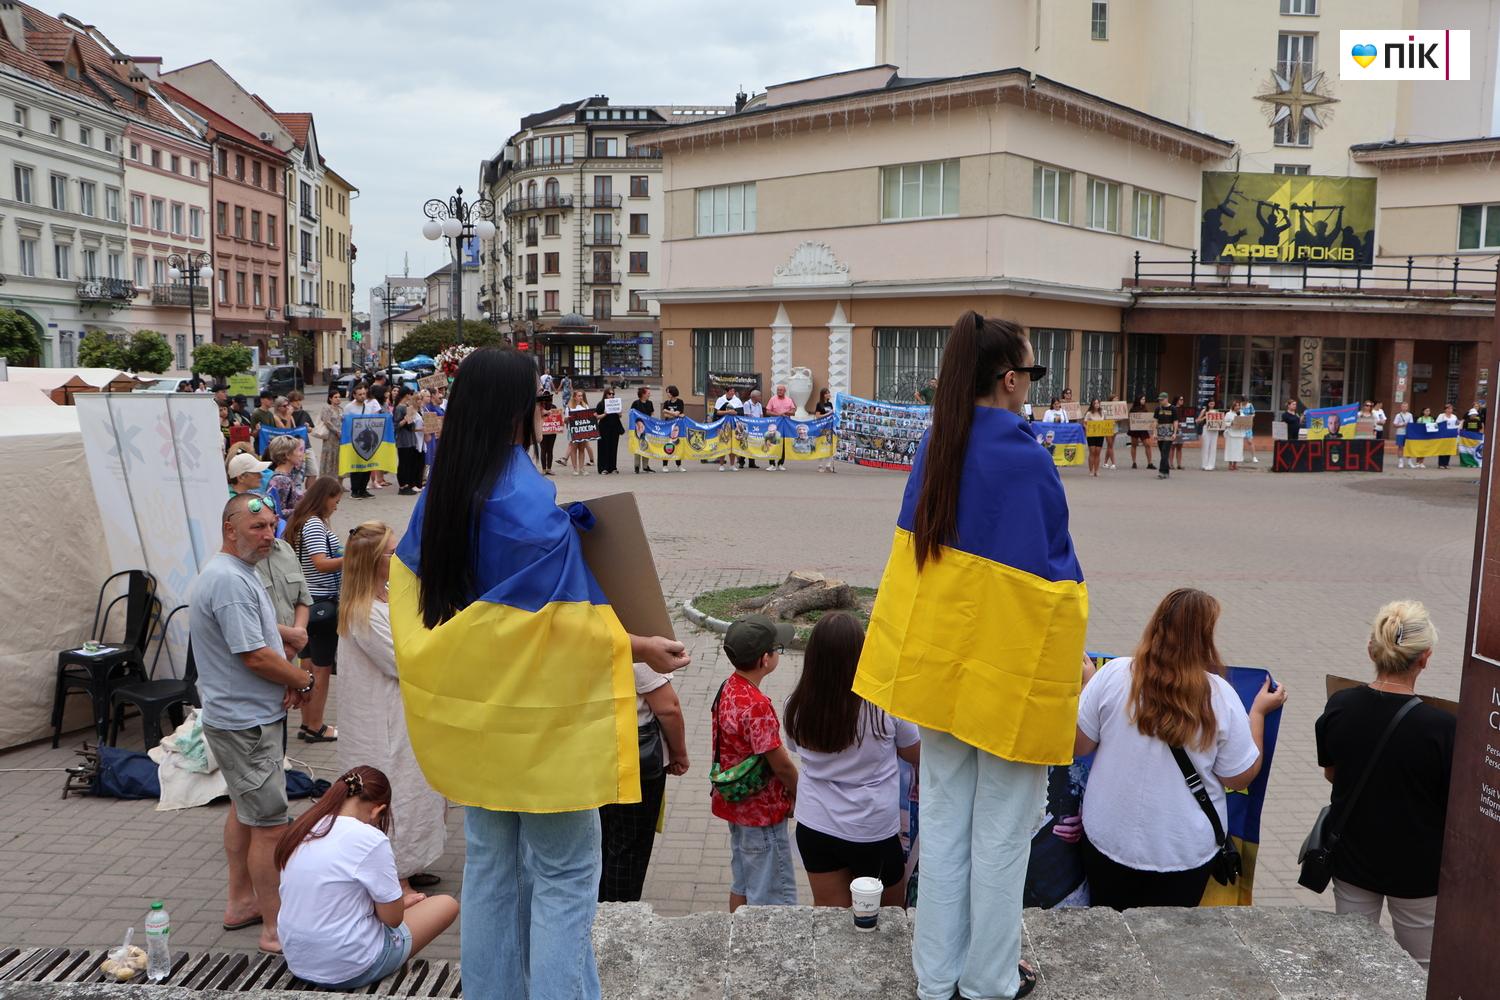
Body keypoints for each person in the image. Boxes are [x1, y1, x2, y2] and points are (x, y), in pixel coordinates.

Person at [392, 347, 689, 1000]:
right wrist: (640, 646)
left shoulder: (443, 489)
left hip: (479, 722)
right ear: (519, 409)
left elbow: (466, 618)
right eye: (539, 400)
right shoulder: (525, 501)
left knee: (493, 869)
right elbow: (562, 631)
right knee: (563, 882)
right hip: (542, 732)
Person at [853, 311, 1087, 1000]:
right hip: (1005, 679)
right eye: (1032, 374)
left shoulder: (937, 445)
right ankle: (988, 981)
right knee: (1004, 835)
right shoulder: (1025, 459)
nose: (1030, 388)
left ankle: (937, 975)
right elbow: (1056, 587)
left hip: (941, 674)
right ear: (1010, 380)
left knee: (947, 823)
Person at [1073, 589, 1285, 910]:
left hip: (1108, 839)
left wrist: (1088, 684)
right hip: (1183, 852)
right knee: (1168, 946)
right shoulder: (1220, 696)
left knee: (1108, 935)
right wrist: (1256, 715)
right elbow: (1240, 778)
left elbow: (1080, 744)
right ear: (1205, 638)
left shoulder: (1113, 675)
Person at [190, 493, 320, 954]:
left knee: (246, 812)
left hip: (243, 717)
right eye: (257, 528)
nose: (268, 535)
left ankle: (241, 903)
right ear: (230, 529)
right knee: (269, 825)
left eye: (271, 526)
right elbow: (254, 656)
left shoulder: (236, 573)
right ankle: (274, 928)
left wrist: (285, 651)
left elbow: (258, 642)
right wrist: (301, 679)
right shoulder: (228, 580)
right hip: (245, 724)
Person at [1315, 601, 1453, 969]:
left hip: (1353, 858)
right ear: (1425, 658)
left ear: (1371, 650)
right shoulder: (1442, 728)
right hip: (1418, 872)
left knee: (1352, 964)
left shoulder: (1340, 705)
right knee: (1422, 968)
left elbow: (1333, 773)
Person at [276, 766, 459, 991]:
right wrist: (398, 905)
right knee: (446, 904)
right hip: (351, 967)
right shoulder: (370, 839)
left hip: (298, 960)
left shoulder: (304, 827)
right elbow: (392, 919)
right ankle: (389, 969)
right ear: (377, 810)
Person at [337, 522, 447, 891]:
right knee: (395, 793)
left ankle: (412, 862)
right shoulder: (363, 611)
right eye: (392, 553)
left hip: (405, 714)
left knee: (418, 792)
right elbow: (404, 660)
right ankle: (394, 876)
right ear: (372, 562)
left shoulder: (387, 597)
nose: (399, 558)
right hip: (382, 720)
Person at [783, 612, 919, 908]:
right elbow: (915, 751)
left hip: (815, 825)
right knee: (888, 918)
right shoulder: (882, 703)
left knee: (830, 918)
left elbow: (794, 747)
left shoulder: (795, 706)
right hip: (872, 828)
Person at [712, 614, 800, 910]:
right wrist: (799, 793)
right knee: (771, 894)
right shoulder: (757, 705)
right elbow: (780, 764)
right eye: (778, 649)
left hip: (736, 805)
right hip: (762, 813)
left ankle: (734, 937)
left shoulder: (729, 687)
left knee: (743, 883)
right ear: (765, 659)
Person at [599, 645, 689, 902]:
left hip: (593, 753)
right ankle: (619, 919)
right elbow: (668, 708)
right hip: (634, 760)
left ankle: (595, 910)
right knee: (629, 846)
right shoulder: (635, 648)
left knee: (602, 839)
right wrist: (679, 754)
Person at [285, 476, 345, 744]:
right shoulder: (314, 525)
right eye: (335, 500)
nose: (336, 506)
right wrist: (354, 556)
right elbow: (321, 563)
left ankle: (307, 722)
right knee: (320, 669)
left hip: (307, 604)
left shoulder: (301, 522)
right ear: (324, 497)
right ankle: (317, 725)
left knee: (308, 667)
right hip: (321, 603)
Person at [346, 385, 382, 499]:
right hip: (355, 440)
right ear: (354, 395)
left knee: (367, 466)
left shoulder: (367, 406)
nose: (362, 396)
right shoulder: (349, 407)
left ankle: (363, 489)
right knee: (357, 467)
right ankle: (355, 490)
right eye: (360, 394)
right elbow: (346, 423)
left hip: (366, 440)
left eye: (363, 394)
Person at [265, 436, 307, 517]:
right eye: (298, 450)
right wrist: (304, 510)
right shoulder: (281, 480)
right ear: (287, 455)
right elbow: (278, 512)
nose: (301, 454)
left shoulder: (285, 476)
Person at [391, 387, 423, 496]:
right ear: (406, 395)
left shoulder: (408, 407)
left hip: (410, 439)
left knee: (409, 463)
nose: (411, 396)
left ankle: (408, 484)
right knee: (404, 463)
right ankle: (402, 485)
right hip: (403, 440)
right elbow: (396, 425)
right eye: (410, 394)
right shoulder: (400, 408)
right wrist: (405, 419)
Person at [315, 388, 345, 484]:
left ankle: (340, 483)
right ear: (330, 399)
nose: (338, 399)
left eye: (339, 397)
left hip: (340, 438)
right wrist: (337, 431)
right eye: (335, 397)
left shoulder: (341, 409)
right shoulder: (327, 408)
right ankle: (326, 483)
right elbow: (327, 421)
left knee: (339, 459)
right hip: (330, 438)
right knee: (329, 459)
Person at [765, 384, 796, 470]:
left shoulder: (789, 400)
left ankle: (780, 463)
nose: (779, 391)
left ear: (785, 391)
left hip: (785, 425)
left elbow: (793, 412)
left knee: (783, 443)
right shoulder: (772, 399)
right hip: (775, 424)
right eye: (778, 390)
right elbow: (768, 411)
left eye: (781, 390)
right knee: (772, 443)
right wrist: (778, 414)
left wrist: (786, 413)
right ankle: (772, 464)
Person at [594, 387, 625, 475]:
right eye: (609, 394)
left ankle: (613, 467)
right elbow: (596, 416)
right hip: (604, 428)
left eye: (613, 394)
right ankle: (603, 468)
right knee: (604, 447)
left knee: (613, 447)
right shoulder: (601, 404)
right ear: (605, 394)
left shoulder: (616, 403)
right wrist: (604, 414)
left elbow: (620, 415)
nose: (611, 396)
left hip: (614, 427)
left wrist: (619, 412)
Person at [714, 386, 745, 470]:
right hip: (722, 426)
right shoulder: (720, 400)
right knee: (723, 445)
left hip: (734, 426)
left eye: (733, 391)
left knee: (732, 446)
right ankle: (721, 465)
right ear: (727, 392)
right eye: (731, 391)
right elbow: (716, 413)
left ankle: (732, 465)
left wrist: (735, 413)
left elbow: (741, 413)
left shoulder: (737, 401)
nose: (733, 393)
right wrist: (728, 412)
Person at [629, 387, 656, 474]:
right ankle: (636, 466)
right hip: (638, 428)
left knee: (646, 446)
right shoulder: (636, 403)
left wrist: (652, 422)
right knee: (638, 446)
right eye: (648, 393)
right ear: (643, 394)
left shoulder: (650, 403)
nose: (649, 394)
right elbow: (631, 413)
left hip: (647, 428)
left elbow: (651, 413)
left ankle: (645, 466)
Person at [566, 388, 593, 476]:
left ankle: (581, 468)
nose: (581, 397)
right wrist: (567, 419)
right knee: (574, 449)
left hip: (583, 430)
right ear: (574, 397)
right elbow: (565, 420)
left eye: (582, 396)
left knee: (582, 449)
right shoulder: (569, 407)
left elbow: (589, 418)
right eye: (579, 396)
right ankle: (575, 468)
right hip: (573, 430)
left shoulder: (585, 406)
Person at [660, 386, 686, 472]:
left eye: (668, 392)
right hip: (668, 427)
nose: (667, 394)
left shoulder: (680, 402)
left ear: (672, 392)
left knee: (677, 444)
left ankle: (679, 465)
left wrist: (668, 411)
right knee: (667, 444)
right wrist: (674, 414)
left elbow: (677, 413)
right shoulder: (667, 402)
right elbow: (665, 415)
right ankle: (664, 465)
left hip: (677, 427)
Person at [1154, 392, 1178, 479]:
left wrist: (1175, 433)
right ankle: (1166, 471)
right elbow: (1155, 421)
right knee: (1163, 453)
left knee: (1165, 451)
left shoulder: (1173, 408)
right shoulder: (1158, 408)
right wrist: (1154, 432)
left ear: (1166, 399)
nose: (1160, 401)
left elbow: (1175, 421)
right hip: (1160, 433)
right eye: (1159, 400)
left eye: (1162, 400)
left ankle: (1161, 471)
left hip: (1169, 433)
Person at [1128, 394, 1154, 470]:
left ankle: (1149, 463)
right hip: (1135, 430)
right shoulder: (1133, 409)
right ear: (1138, 400)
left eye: (1144, 399)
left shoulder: (1145, 408)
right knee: (1134, 445)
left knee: (1148, 445)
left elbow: (1147, 419)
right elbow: (1130, 419)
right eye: (1142, 399)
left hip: (1143, 429)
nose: (1144, 401)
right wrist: (1130, 426)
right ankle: (1134, 462)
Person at [535, 392, 559, 476]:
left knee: (550, 450)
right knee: (543, 449)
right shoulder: (540, 408)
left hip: (552, 431)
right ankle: (543, 469)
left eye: (550, 399)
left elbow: (558, 418)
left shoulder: (554, 407)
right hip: (543, 431)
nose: (549, 401)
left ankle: (549, 468)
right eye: (547, 399)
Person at [814, 388, 836, 473]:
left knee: (829, 445)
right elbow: (817, 416)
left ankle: (828, 465)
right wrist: (828, 414)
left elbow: (832, 415)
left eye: (829, 393)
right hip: (822, 427)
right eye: (826, 393)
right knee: (821, 445)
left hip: (829, 427)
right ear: (823, 395)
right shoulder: (819, 404)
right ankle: (820, 465)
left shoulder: (830, 404)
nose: (828, 394)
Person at [742, 389, 765, 468]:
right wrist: (756, 421)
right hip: (749, 427)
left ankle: (752, 463)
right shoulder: (747, 404)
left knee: (753, 444)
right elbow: (747, 416)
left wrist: (761, 423)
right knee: (746, 444)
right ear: (754, 397)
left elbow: (761, 415)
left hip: (757, 426)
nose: (760, 397)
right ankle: (741, 462)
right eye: (759, 396)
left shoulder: (759, 404)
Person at [1224, 399, 1247, 471]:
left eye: (1238, 406)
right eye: (1236, 406)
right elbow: (1224, 423)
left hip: (1239, 434)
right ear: (1233, 406)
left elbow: (1245, 422)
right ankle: (1230, 464)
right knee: (1231, 449)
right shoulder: (1228, 414)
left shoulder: (1242, 414)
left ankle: (1235, 464)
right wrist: (1231, 423)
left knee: (1238, 450)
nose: (1237, 407)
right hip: (1231, 434)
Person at [1085, 399, 1106, 477]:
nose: (1097, 404)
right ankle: (1091, 470)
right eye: (1095, 403)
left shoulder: (1103, 413)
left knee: (1098, 452)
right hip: (1091, 434)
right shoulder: (1089, 413)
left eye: (1098, 403)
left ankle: (1096, 470)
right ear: (1092, 404)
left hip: (1100, 434)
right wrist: (1087, 428)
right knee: (1092, 451)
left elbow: (1106, 422)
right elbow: (1085, 423)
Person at [1199, 398, 1221, 471]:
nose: (1212, 404)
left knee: (1213, 447)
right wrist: (1205, 417)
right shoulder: (1204, 410)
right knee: (1206, 446)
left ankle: (1211, 464)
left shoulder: (1217, 411)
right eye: (1210, 403)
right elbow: (1197, 420)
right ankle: (1204, 464)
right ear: (1208, 404)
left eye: (1213, 403)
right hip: (1206, 429)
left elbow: (1220, 421)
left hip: (1214, 430)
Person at [1437, 403, 1460, 469]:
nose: (1450, 410)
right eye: (1448, 408)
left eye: (1451, 409)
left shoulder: (1454, 416)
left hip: (1451, 436)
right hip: (1443, 435)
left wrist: (1459, 423)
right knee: (1442, 449)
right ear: (1445, 409)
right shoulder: (1441, 416)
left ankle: (1446, 463)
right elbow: (1438, 424)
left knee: (1449, 449)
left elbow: (1457, 424)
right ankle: (1441, 464)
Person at [1393, 402, 1415, 468]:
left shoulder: (1410, 415)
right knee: (1400, 447)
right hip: (1400, 433)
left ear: (1407, 407)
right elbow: (1394, 424)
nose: (1404, 408)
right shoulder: (1398, 415)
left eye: (1406, 406)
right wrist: (1402, 425)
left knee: (1408, 447)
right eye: (1403, 406)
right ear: (1401, 407)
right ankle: (1400, 461)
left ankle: (1409, 461)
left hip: (1408, 433)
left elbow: (1411, 424)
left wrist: (1408, 425)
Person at [1103, 395, 1120, 470]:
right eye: (1115, 399)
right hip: (1107, 427)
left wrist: (1116, 420)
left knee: (1110, 445)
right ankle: (1113, 463)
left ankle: (1105, 463)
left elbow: (1122, 417)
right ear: (1111, 400)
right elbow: (1103, 418)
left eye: (1117, 399)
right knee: (1110, 445)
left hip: (1115, 427)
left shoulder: (1118, 408)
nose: (1116, 400)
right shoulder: (1106, 408)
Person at [1171, 395, 1189, 471]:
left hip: (1182, 429)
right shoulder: (1172, 408)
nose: (1182, 401)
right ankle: (1170, 464)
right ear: (1177, 400)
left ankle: (1179, 464)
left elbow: (1187, 418)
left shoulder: (1184, 409)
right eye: (1180, 399)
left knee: (1179, 447)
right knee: (1172, 447)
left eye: (1183, 399)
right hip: (1173, 429)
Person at [1241, 398, 1259, 464]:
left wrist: (1250, 417)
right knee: (1240, 441)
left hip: (1248, 424)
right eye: (1243, 402)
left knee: (1250, 441)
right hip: (1240, 424)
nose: (1245, 403)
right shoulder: (1239, 405)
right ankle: (1240, 456)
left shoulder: (1250, 405)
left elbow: (1253, 413)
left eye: (1246, 401)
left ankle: (1254, 457)